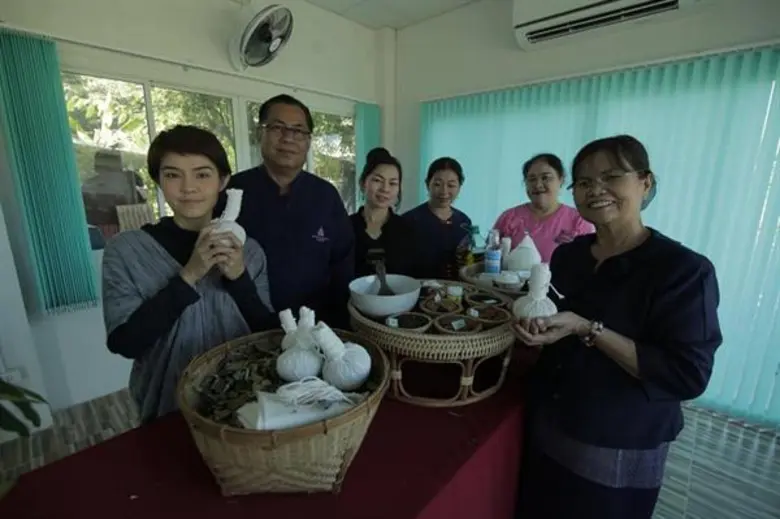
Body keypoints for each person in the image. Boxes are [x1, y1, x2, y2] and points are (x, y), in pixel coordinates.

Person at [512, 135, 722, 518]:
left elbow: (687, 375)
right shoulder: (569, 255)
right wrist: (537, 328)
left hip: (616, 438)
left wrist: (586, 329)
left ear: (645, 182)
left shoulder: (683, 271)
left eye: (611, 177)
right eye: (586, 182)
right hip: (550, 420)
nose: (597, 190)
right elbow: (557, 325)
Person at [102, 125, 274, 424]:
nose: (188, 187)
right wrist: (189, 274)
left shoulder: (251, 251)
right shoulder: (126, 251)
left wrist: (239, 278)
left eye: (202, 174)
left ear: (223, 181)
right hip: (166, 409)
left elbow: (268, 332)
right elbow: (124, 343)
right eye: (172, 175)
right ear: (158, 181)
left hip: (246, 405)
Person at [216, 94, 354, 327]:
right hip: (241, 327)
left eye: (298, 130)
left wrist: (339, 324)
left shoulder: (325, 195)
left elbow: (343, 264)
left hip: (314, 326)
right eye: (277, 127)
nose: (288, 137)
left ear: (308, 142)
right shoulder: (231, 193)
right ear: (261, 134)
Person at [493, 153, 593, 263]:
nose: (538, 185)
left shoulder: (578, 221)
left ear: (561, 180)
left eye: (546, 178)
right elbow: (490, 258)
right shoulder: (509, 218)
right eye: (532, 179)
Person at [350, 147, 417, 278]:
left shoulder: (408, 230)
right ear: (363, 183)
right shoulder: (344, 228)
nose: (385, 189)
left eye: (393, 183)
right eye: (377, 180)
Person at [404, 157, 472, 279]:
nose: (444, 191)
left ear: (459, 187)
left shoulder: (464, 221)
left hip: (456, 292)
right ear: (427, 184)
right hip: (419, 290)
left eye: (451, 185)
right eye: (437, 184)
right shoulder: (409, 220)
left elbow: (467, 262)